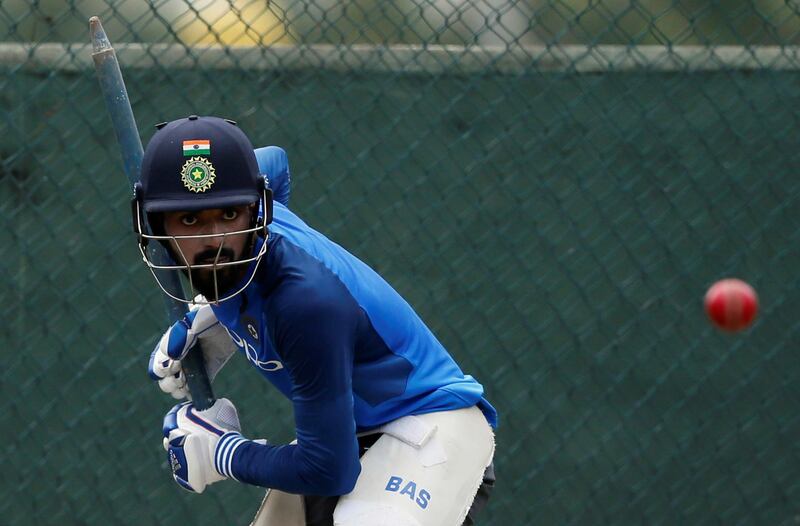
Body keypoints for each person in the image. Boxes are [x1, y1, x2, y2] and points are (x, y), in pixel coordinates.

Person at [138, 115, 498, 526]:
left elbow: (329, 469)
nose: (217, 240)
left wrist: (224, 453)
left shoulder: (306, 302)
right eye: (189, 220)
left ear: (258, 207)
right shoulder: (246, 216)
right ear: (155, 225)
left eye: (230, 213)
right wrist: (225, 313)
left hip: (432, 425)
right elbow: (274, 160)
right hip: (351, 429)